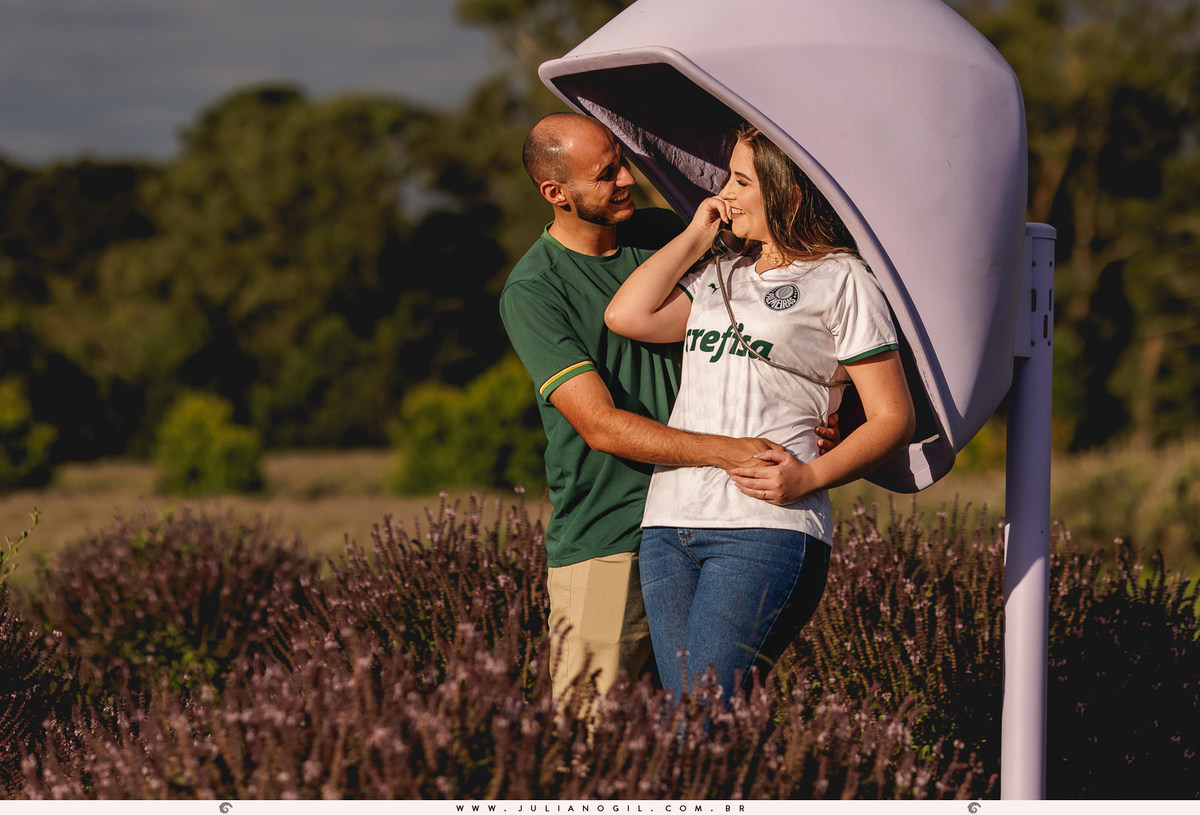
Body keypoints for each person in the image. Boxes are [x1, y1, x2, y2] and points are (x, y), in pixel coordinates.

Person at [499, 113, 839, 709]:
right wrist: (732, 451)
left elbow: (764, 329)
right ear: (557, 194)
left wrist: (822, 410)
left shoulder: (664, 234)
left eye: (622, 162)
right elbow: (600, 427)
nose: (627, 179)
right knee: (594, 743)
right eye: (605, 176)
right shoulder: (535, 289)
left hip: (708, 519)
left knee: (697, 726)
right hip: (607, 533)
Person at [604, 123, 916, 703]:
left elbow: (894, 417)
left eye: (741, 181)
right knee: (689, 724)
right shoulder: (719, 275)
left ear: (788, 192)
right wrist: (698, 236)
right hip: (669, 523)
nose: (723, 192)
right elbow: (627, 316)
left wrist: (810, 477)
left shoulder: (842, 278)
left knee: (701, 717)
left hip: (764, 528)